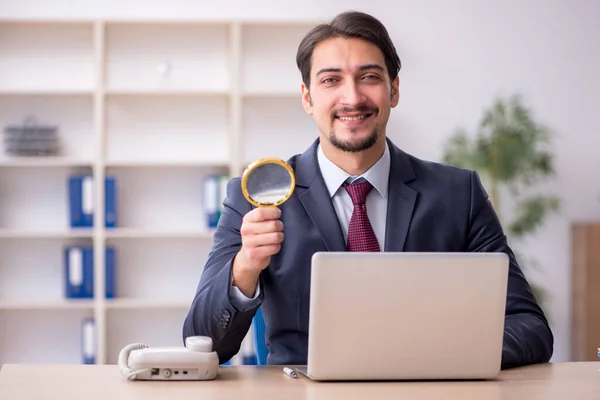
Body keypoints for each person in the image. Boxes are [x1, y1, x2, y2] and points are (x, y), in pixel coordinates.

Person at [182, 10, 553, 369]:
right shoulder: (254, 196)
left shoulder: (459, 194)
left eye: (369, 77)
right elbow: (203, 343)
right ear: (307, 97)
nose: (352, 97)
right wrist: (245, 266)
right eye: (331, 80)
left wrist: (443, 355)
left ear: (393, 90)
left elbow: (530, 328)